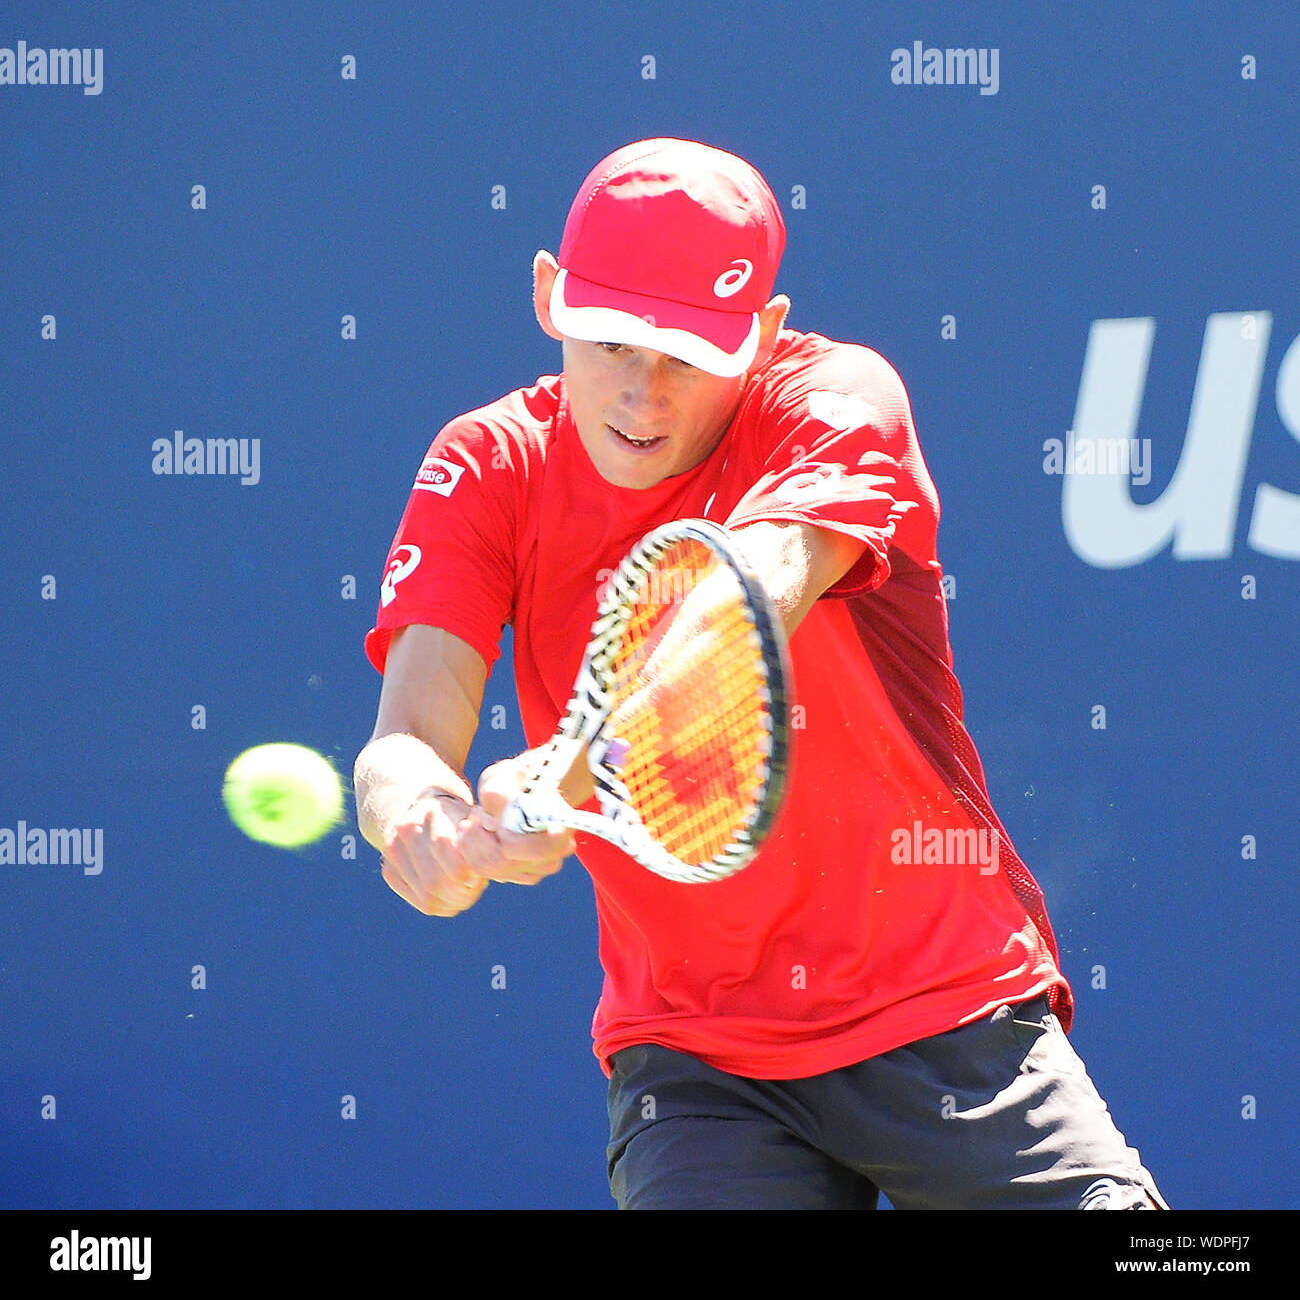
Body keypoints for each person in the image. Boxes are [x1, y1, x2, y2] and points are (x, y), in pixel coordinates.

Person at [353, 137, 1167, 1210]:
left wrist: (573, 766)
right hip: (695, 1057)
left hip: (940, 1005)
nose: (642, 395)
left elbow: (747, 595)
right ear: (549, 296)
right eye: (610, 344)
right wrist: (419, 817)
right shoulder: (484, 462)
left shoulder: (836, 396)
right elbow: (408, 733)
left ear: (764, 333)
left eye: (687, 355)